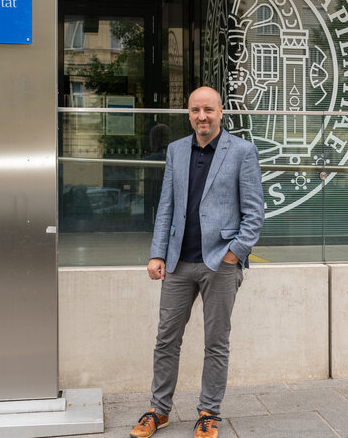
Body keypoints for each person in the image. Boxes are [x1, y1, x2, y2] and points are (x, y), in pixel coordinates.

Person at [129, 86, 264, 438]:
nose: (201, 116)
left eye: (208, 109)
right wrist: (157, 253)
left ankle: (209, 412)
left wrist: (235, 253)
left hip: (220, 262)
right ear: (188, 114)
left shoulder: (242, 152)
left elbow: (255, 214)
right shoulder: (176, 150)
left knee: (216, 342)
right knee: (166, 340)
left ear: (221, 112)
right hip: (177, 263)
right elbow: (167, 206)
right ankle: (158, 411)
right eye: (195, 110)